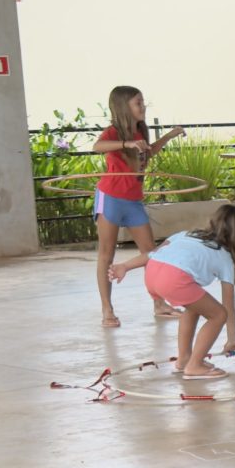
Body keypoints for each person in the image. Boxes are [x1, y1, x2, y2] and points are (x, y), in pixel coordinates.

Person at [110, 202, 235, 380]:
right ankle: (195, 366)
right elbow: (228, 306)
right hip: (174, 278)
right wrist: (232, 339)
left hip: (152, 272)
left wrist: (125, 266)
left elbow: (153, 253)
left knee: (194, 306)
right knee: (218, 315)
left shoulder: (187, 234)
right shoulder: (225, 257)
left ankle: (184, 359)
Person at [92, 85, 186, 328]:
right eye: (138, 103)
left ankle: (159, 304)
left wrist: (169, 136)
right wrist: (126, 144)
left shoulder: (141, 130)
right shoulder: (113, 132)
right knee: (106, 254)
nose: (143, 107)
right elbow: (97, 147)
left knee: (151, 253)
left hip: (133, 200)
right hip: (110, 197)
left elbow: (148, 153)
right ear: (124, 107)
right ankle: (107, 310)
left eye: (143, 102)